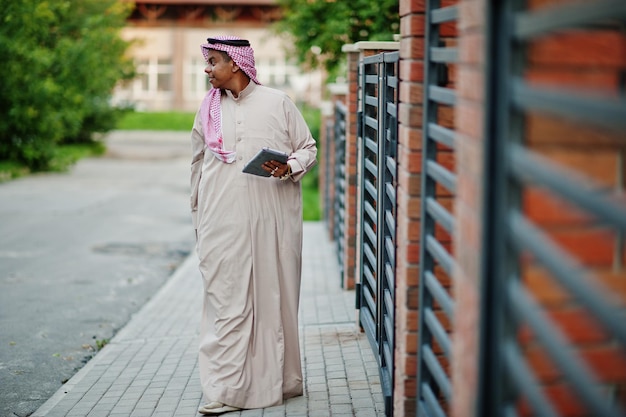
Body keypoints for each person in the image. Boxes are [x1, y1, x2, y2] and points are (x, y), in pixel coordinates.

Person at [189, 35, 317, 415]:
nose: (207, 69)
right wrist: (199, 212)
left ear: (236, 64)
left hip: (271, 222)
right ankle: (226, 390)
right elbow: (196, 164)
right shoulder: (207, 108)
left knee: (273, 299)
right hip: (222, 222)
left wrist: (290, 166)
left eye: (213, 62)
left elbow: (307, 148)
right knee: (226, 301)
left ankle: (282, 381)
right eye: (207, 62)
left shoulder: (278, 103)